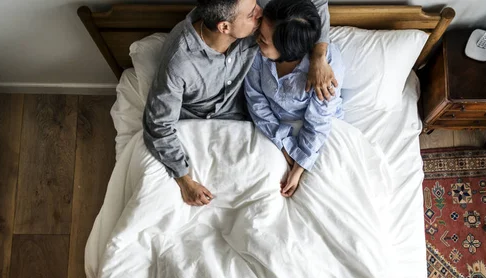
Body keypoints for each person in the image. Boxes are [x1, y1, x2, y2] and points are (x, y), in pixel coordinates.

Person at [143, 0, 336, 206]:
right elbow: (159, 124)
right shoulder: (179, 63)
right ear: (225, 27)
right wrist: (184, 180)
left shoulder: (252, 27)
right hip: (195, 127)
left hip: (247, 123)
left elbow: (316, 4)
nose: (261, 12)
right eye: (252, 12)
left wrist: (319, 57)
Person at [244, 0, 344, 197]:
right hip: (270, 128)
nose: (257, 39)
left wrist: (300, 165)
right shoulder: (257, 54)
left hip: (319, 131)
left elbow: (319, 121)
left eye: (264, 39)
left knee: (321, 193)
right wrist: (283, 144)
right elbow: (256, 102)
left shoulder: (327, 65)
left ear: (287, 49)